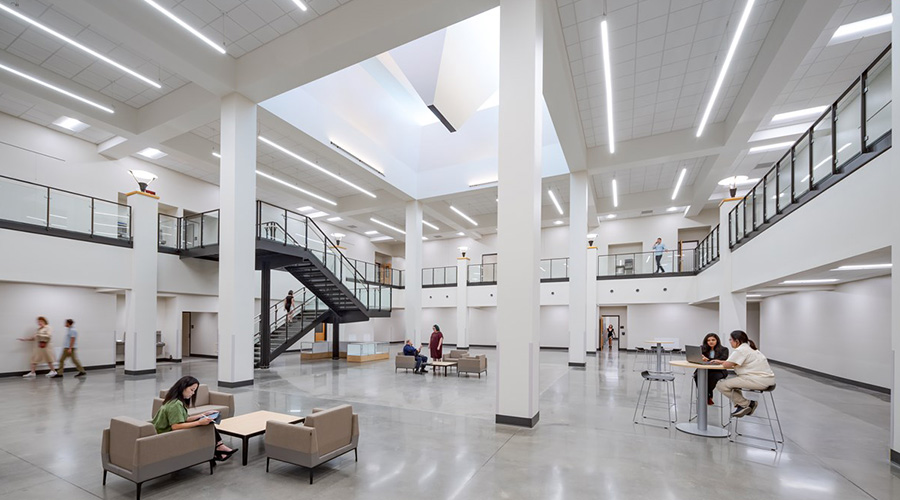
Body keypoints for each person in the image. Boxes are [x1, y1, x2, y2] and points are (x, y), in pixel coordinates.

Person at [152, 375, 238, 461]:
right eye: (192, 390)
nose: (193, 393)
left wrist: (203, 414)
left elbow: (183, 419)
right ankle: (218, 448)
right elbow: (175, 426)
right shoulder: (175, 404)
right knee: (205, 424)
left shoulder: (175, 401)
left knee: (206, 421)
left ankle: (218, 447)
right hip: (166, 434)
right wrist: (199, 422)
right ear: (183, 387)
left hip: (166, 431)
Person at [712, 330, 775, 418]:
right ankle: (741, 405)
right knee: (732, 385)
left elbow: (727, 365)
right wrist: (721, 361)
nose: (730, 342)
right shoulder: (750, 348)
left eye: (730, 340)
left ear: (737, 341)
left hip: (757, 380)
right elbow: (735, 362)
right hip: (767, 380)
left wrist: (721, 362)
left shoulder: (740, 350)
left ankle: (747, 404)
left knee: (721, 385)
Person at [693, 333, 728, 405]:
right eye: (708, 340)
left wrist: (708, 360)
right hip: (706, 369)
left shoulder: (724, 349)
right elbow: (697, 358)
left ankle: (705, 395)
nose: (711, 342)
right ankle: (707, 395)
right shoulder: (702, 349)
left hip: (719, 370)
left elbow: (723, 359)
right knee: (697, 375)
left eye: (713, 340)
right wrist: (701, 358)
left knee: (712, 377)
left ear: (717, 341)